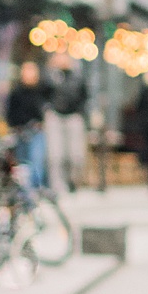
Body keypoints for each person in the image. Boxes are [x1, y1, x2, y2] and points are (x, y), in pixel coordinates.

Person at [43, 51, 88, 197]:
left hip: (73, 116)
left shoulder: (78, 77)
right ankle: (57, 186)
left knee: (75, 156)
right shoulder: (50, 77)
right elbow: (42, 94)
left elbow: (85, 96)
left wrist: (83, 112)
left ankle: (72, 181)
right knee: (56, 155)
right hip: (55, 116)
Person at [4, 58, 48, 188]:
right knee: (22, 164)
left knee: (36, 162)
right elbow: (10, 113)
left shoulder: (41, 90)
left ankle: (36, 188)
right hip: (20, 132)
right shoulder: (16, 92)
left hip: (35, 131)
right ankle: (25, 189)